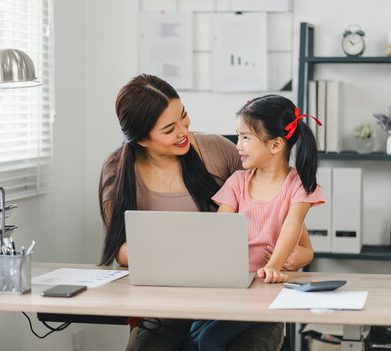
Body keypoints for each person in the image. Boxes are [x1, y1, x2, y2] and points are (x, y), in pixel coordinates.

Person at [99, 75, 315, 351]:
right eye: (168, 129)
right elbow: (119, 249)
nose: (183, 131)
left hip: (240, 303)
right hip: (163, 308)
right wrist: (183, 254)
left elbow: (282, 218)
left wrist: (297, 255)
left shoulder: (219, 152)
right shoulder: (118, 171)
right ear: (141, 140)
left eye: (184, 116)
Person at [183, 94, 325, 351]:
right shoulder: (238, 182)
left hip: (266, 291)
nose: (238, 145)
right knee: (195, 338)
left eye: (246, 137)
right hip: (232, 286)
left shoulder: (298, 187)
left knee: (208, 339)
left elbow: (293, 227)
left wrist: (273, 266)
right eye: (238, 136)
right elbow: (220, 232)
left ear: (275, 145)